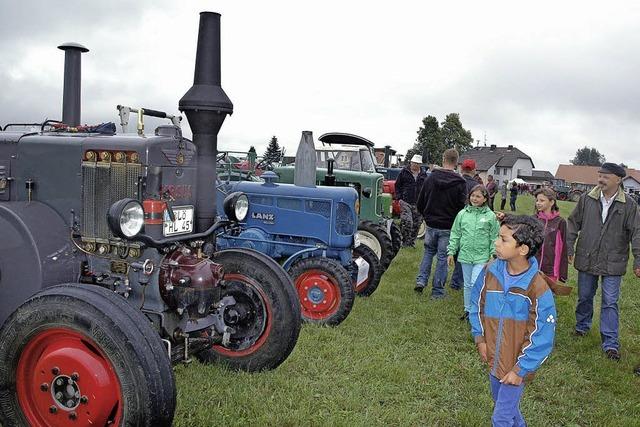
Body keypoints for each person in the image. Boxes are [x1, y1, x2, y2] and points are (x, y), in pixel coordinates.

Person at [470, 215, 557, 427]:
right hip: (493, 359)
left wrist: (521, 370)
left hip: (517, 364)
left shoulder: (537, 288)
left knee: (501, 418)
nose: (496, 243)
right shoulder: (490, 271)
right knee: (507, 409)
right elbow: (476, 305)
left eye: (503, 239)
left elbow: (542, 335)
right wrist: (480, 338)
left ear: (523, 249)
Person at [566, 162, 640, 360]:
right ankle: (582, 327)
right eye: (600, 175)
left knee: (610, 302)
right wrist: (569, 246)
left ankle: (610, 343)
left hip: (613, 261)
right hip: (587, 256)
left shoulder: (630, 205)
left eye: (605, 177)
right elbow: (573, 223)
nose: (601, 179)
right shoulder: (586, 199)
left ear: (619, 179)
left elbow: (637, 233)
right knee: (585, 296)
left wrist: (638, 260)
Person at [415, 148, 467, 298]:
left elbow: (421, 201)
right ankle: (437, 291)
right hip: (448, 226)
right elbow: (461, 207)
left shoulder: (430, 178)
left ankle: (421, 280)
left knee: (428, 252)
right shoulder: (460, 182)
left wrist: (426, 215)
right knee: (442, 258)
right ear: (456, 162)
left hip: (431, 223)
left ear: (443, 159)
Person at [447, 185, 500, 320]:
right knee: (467, 284)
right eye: (472, 196)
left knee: (476, 283)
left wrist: (492, 255)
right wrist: (451, 251)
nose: (474, 199)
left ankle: (477, 311)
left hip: (482, 257)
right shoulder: (462, 214)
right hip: (465, 255)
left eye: (478, 196)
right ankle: (468, 310)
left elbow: (494, 237)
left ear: (485, 199)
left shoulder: (490, 216)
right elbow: (455, 233)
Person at [533, 188, 568, 283]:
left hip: (550, 270)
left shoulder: (560, 222)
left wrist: (563, 273)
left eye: (542, 200)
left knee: (547, 296)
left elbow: (563, 247)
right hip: (532, 268)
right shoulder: (533, 219)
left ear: (552, 202)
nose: (538, 203)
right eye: (537, 200)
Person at [395, 154, 427, 247]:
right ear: (411, 162)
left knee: (417, 224)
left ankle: (411, 242)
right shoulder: (404, 172)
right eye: (413, 163)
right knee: (407, 221)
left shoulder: (424, 175)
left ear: (420, 164)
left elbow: (426, 188)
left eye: (417, 163)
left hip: (418, 203)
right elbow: (397, 185)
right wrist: (399, 198)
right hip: (405, 201)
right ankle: (404, 241)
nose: (415, 165)